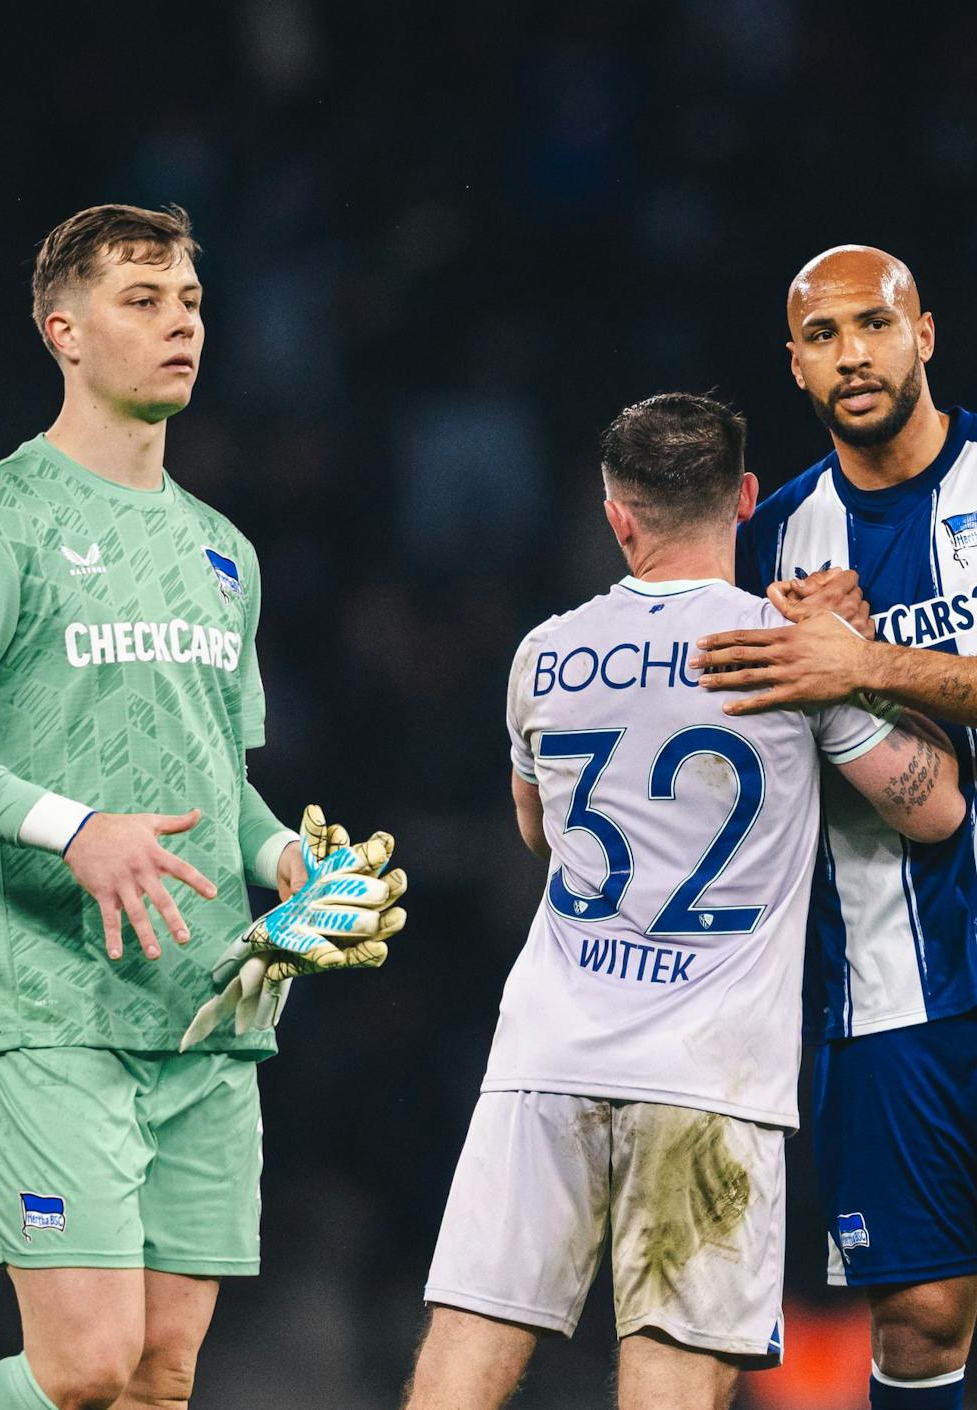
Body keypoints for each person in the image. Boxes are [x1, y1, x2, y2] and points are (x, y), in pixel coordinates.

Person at [0, 202, 385, 1410]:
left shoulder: (221, 551)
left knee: (157, 1379)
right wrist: (72, 830)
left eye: (190, 303)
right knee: (84, 1368)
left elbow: (217, 779)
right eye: (140, 303)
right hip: (43, 998)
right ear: (62, 330)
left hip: (208, 1006)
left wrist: (289, 868)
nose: (178, 326)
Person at [404, 392, 962, 1410]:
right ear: (744, 498)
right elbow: (931, 813)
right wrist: (857, 672)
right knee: (667, 1378)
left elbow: (537, 834)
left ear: (616, 513)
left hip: (545, 1054)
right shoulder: (787, 654)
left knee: (463, 1352)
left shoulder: (544, 653)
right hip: (707, 1075)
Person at [694, 246, 977, 1410]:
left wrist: (863, 662)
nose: (851, 354)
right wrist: (794, 660)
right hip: (882, 982)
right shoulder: (775, 549)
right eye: (821, 337)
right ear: (794, 367)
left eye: (872, 325)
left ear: (923, 334)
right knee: (918, 1316)